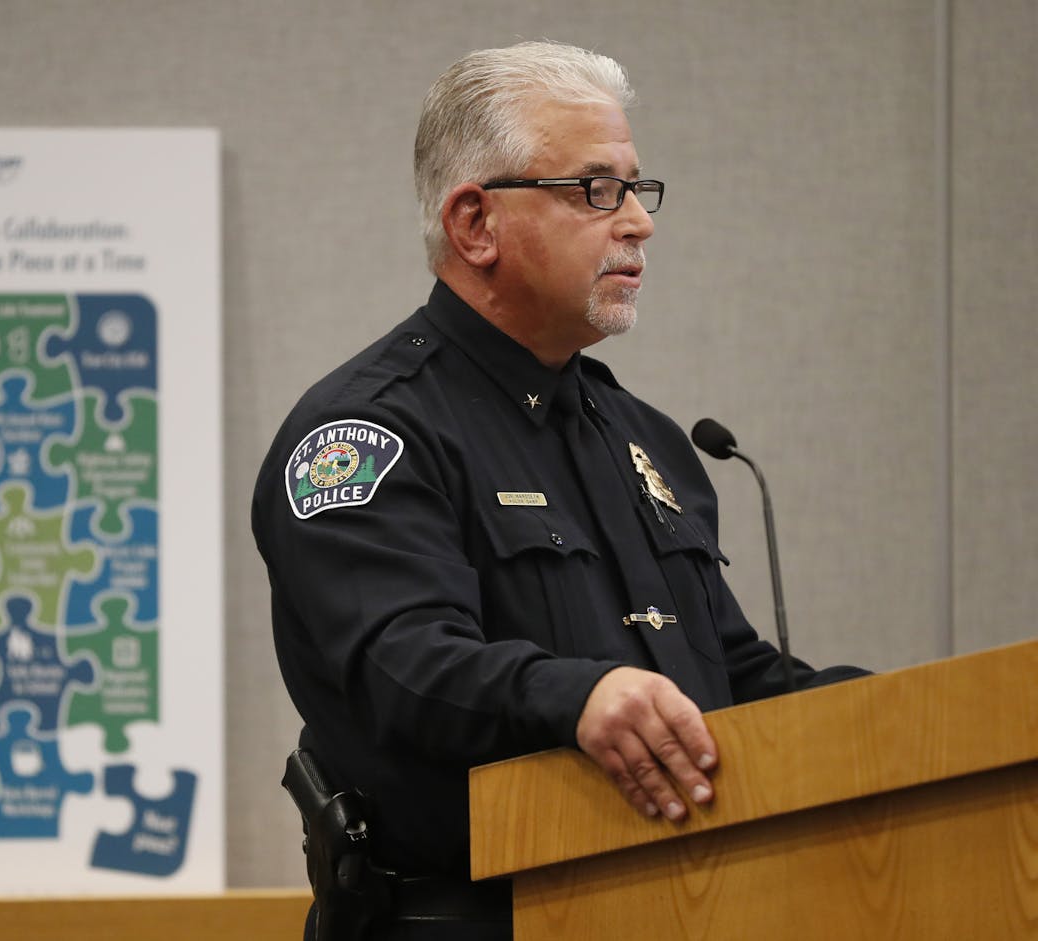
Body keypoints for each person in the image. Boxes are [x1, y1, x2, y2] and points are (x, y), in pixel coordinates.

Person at [252, 40, 865, 940]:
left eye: (636, 187)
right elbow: (405, 666)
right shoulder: (368, 434)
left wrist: (910, 714)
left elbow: (724, 675)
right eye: (594, 189)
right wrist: (577, 696)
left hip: (678, 908)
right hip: (460, 916)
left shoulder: (648, 441)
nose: (638, 223)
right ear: (475, 224)